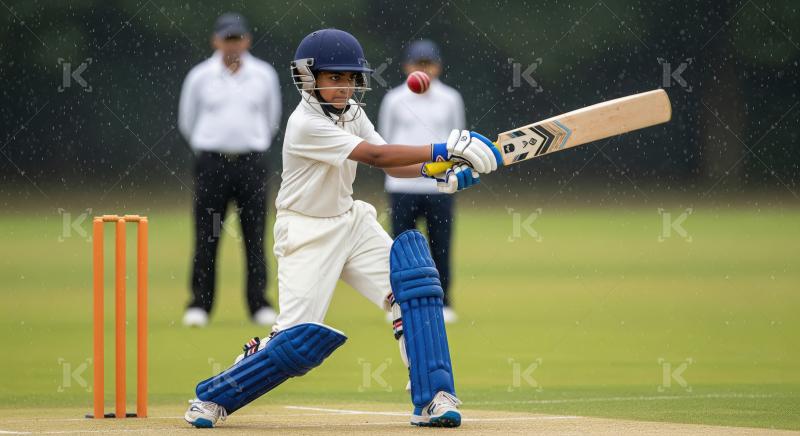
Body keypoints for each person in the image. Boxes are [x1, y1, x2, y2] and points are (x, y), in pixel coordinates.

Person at [183, 29, 502, 428]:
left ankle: (433, 398)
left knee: (416, 288)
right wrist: (445, 149)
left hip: (350, 221)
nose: (343, 87)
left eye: (350, 78)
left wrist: (438, 172)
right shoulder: (305, 123)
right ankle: (213, 397)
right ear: (307, 77)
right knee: (295, 343)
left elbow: (389, 161)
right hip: (305, 233)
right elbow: (375, 154)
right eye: (334, 78)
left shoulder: (351, 112)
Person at [178, 13, 281, 327]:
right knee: (207, 235)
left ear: (247, 40)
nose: (233, 44)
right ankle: (200, 305)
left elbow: (271, 118)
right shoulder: (200, 76)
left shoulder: (263, 75)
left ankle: (259, 304)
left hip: (251, 164)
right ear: (216, 41)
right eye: (227, 39)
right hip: (212, 165)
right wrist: (213, 149)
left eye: (238, 38)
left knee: (255, 235)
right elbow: (187, 120)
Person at [378, 39, 465, 323]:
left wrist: (450, 171)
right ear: (407, 66)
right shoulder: (394, 99)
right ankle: (401, 304)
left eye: (428, 63)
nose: (423, 69)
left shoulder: (450, 98)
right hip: (401, 186)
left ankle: (443, 302)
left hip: (439, 185)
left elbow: (457, 140)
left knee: (440, 244)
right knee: (401, 247)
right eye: (418, 63)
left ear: (437, 66)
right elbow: (385, 140)